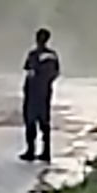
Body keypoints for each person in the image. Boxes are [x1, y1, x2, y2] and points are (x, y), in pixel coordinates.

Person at [20, 27, 60, 163]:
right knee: (45, 122)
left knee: (30, 121)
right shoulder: (53, 55)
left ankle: (31, 151)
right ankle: (46, 151)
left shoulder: (33, 55)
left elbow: (28, 70)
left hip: (32, 92)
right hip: (45, 92)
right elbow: (55, 73)